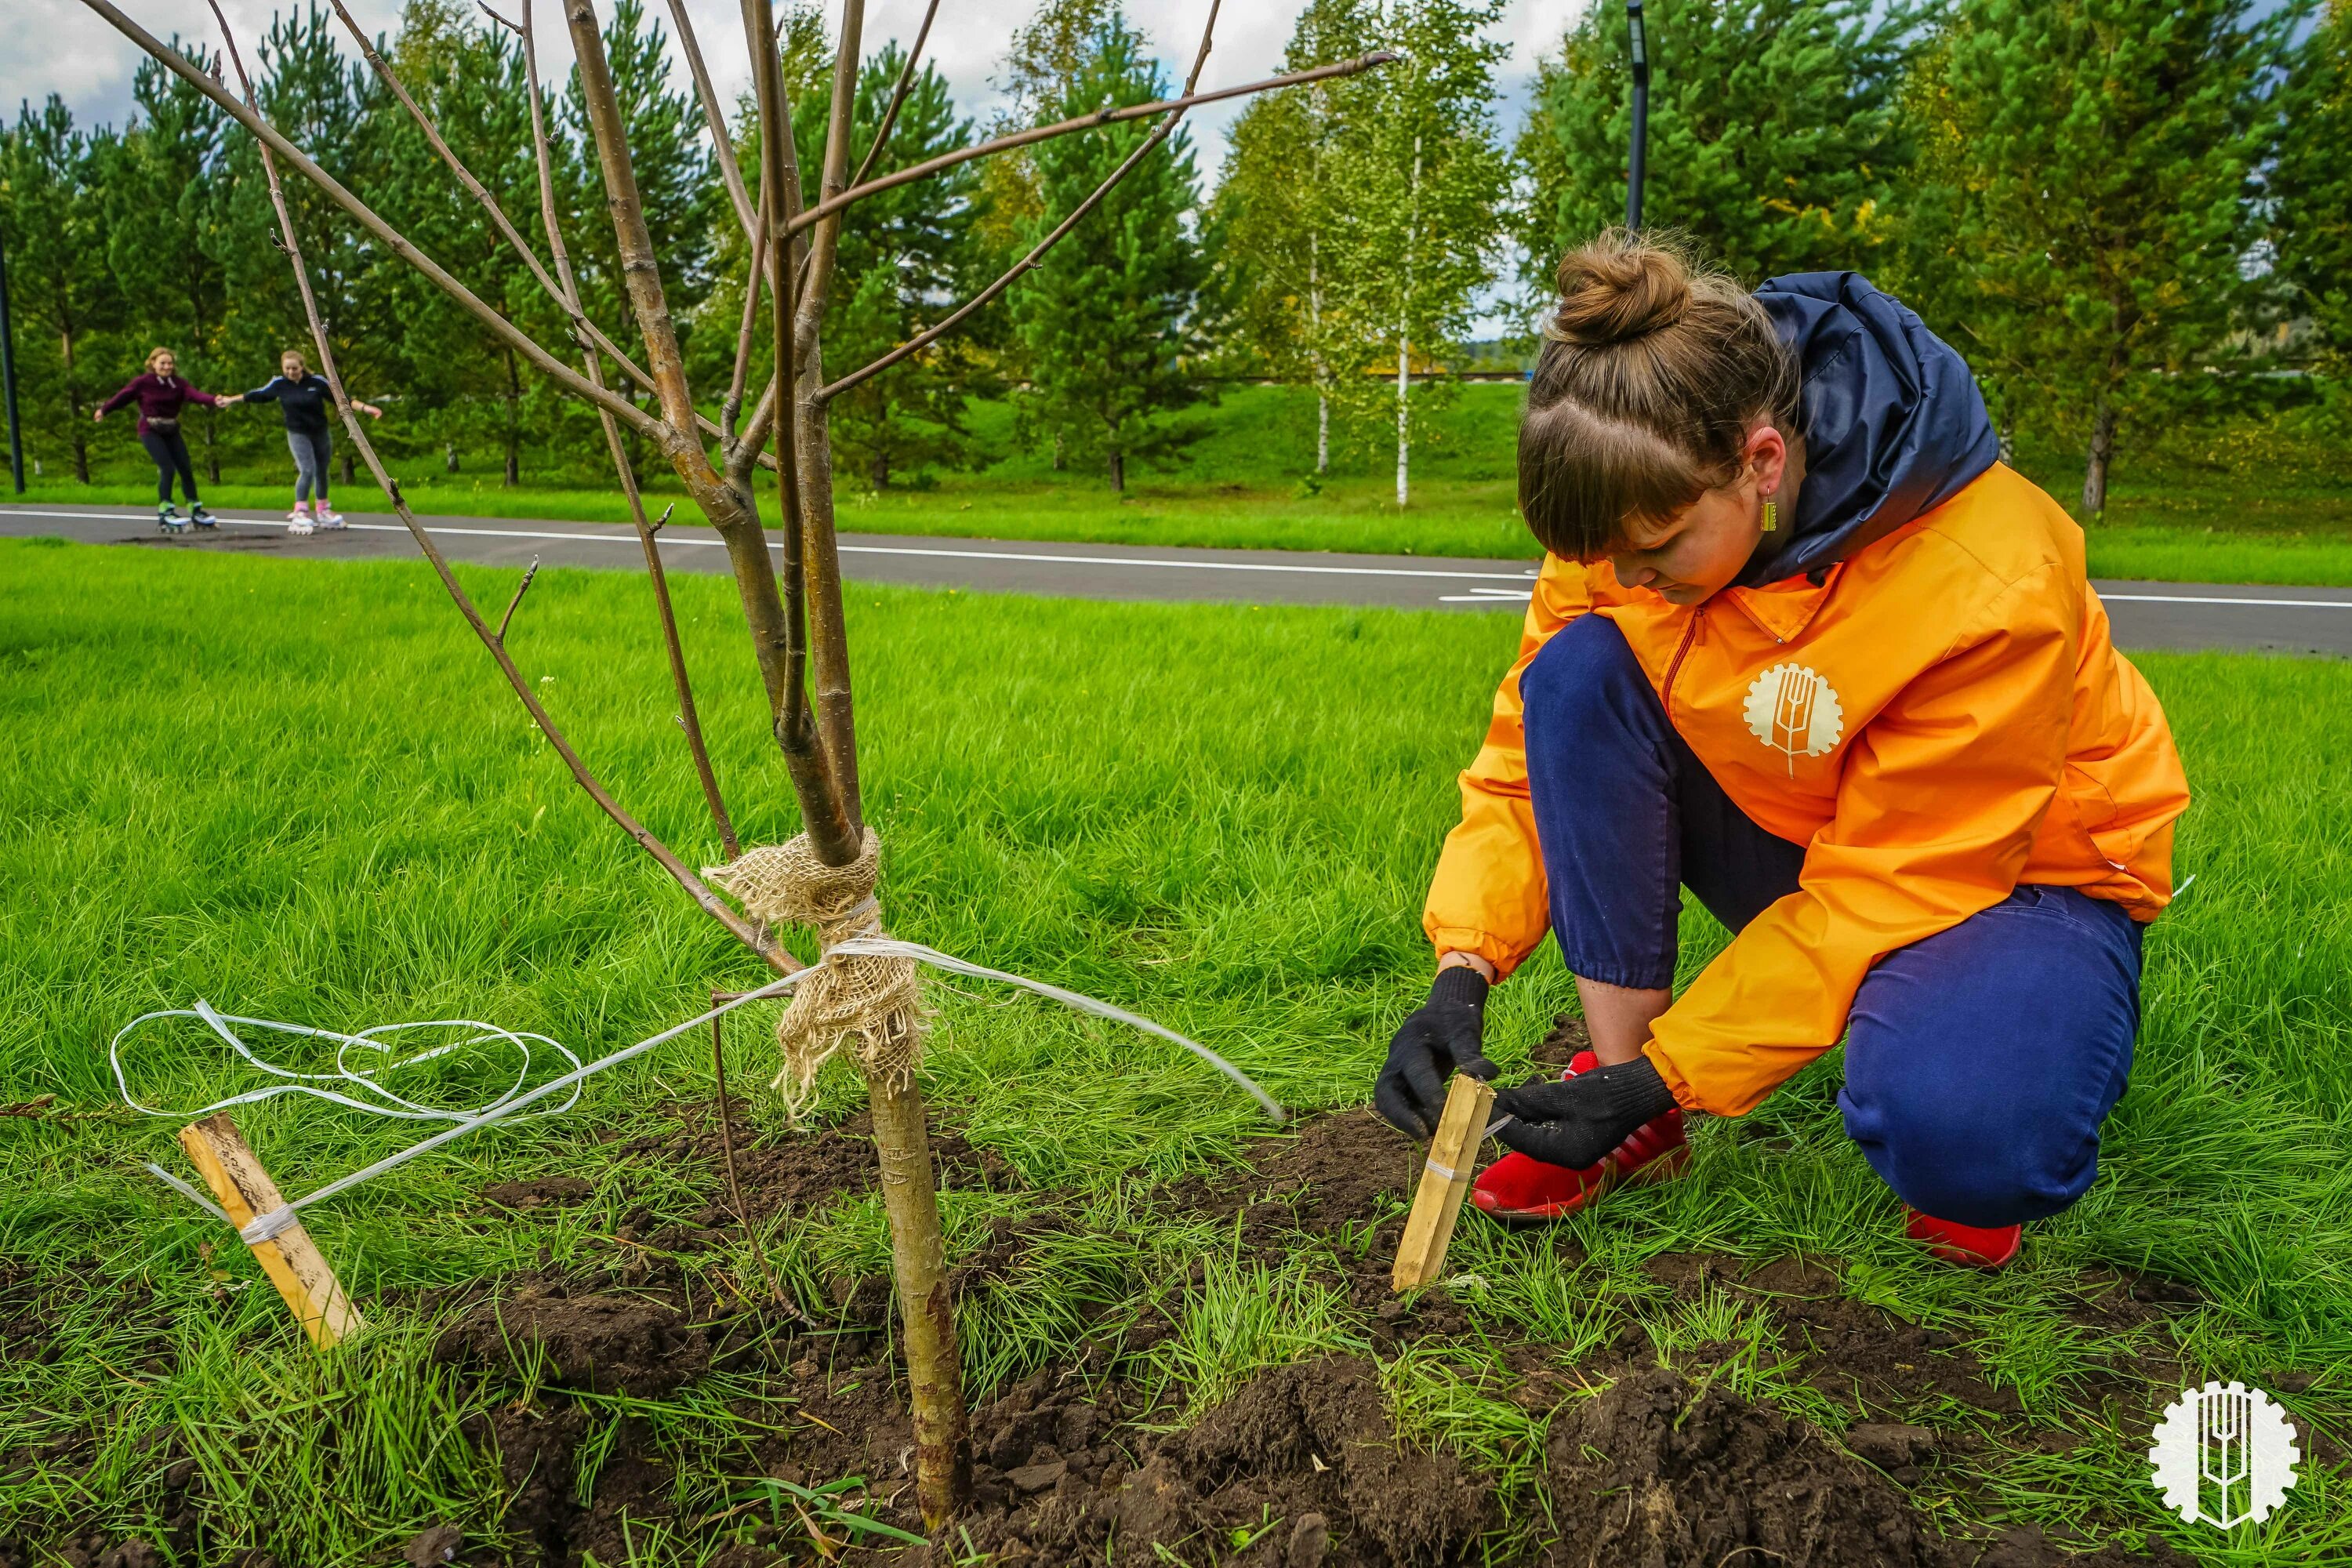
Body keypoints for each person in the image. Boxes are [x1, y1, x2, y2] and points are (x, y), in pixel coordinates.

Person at [1374, 234, 2190, 1271]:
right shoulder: (1636, 502)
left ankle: (1976, 1071)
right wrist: (1462, 971)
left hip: (2026, 876)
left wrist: (1679, 1067)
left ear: (1761, 462)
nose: (1627, 574)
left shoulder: (1988, 577)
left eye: (1656, 549)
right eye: (1605, 555)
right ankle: (1633, 1112)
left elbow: (1897, 879)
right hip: (1815, 827)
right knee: (1574, 675)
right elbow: (1528, 765)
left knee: (1971, 1139)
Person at [94, 348, 234, 530]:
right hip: (150, 429)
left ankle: (195, 509)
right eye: (163, 363)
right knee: (167, 468)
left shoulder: (178, 384)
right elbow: (123, 397)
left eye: (170, 363)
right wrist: (104, 410)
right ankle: (165, 511)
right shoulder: (143, 383)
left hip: (171, 428)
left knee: (185, 467)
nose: (167, 367)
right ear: (153, 363)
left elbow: (195, 395)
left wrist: (214, 400)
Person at [243, 350, 381, 532]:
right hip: (297, 433)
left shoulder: (317, 382)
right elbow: (258, 395)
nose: (291, 372)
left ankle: (323, 510)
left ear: (302, 367)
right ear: (283, 368)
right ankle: (300, 511)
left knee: (322, 469)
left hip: (320, 432)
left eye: (295, 368)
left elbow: (342, 399)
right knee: (307, 469)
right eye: (287, 368)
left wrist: (366, 408)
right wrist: (231, 400)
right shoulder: (280, 384)